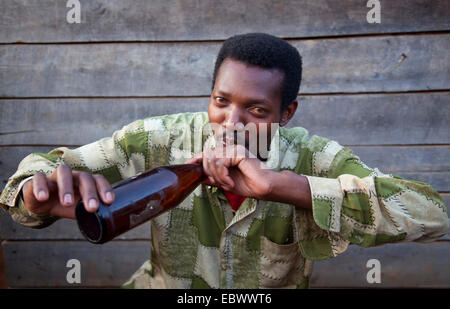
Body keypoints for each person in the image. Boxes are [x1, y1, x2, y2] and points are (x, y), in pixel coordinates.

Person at [0, 33, 448, 289]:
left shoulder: (313, 156)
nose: (229, 124)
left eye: (255, 110)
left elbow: (434, 214)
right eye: (220, 101)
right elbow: (34, 175)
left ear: (286, 113)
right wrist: (35, 196)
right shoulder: (161, 140)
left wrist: (283, 186)